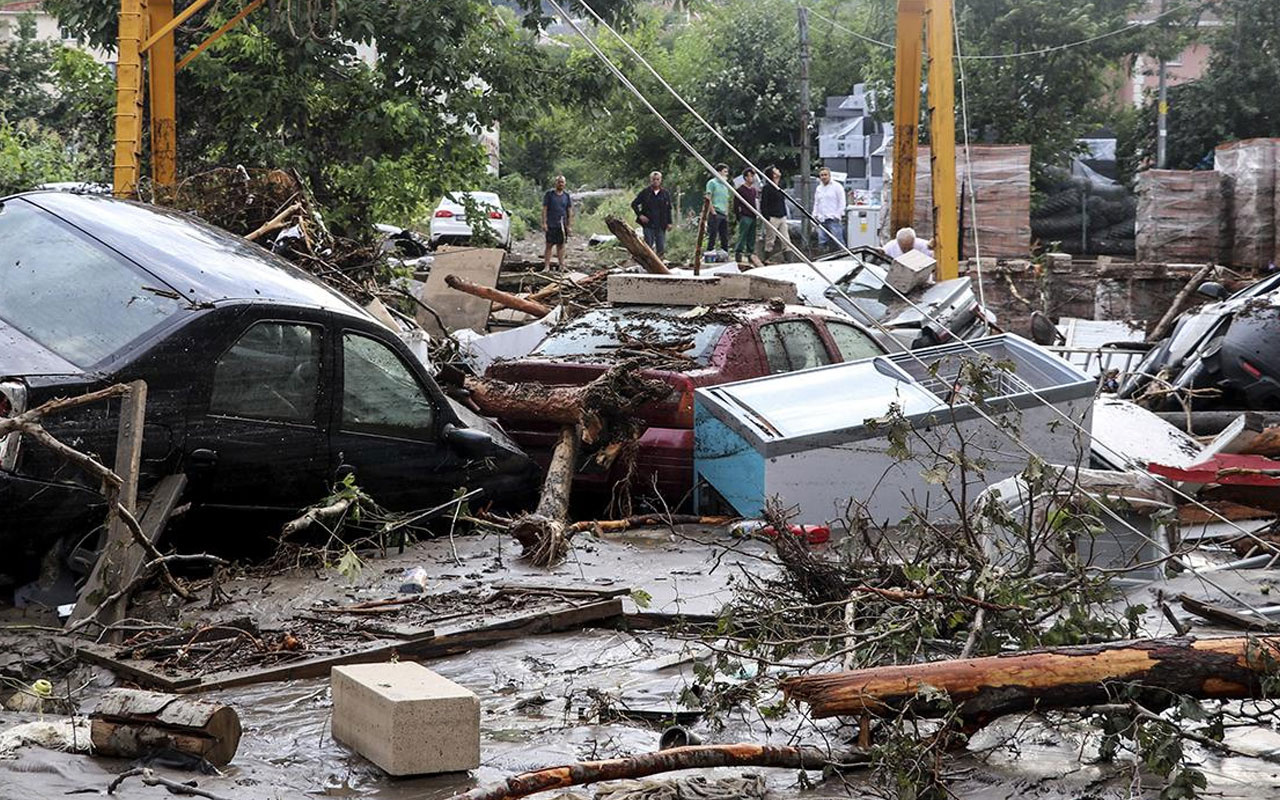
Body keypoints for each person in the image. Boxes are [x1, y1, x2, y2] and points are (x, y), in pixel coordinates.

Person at [631, 170, 674, 256]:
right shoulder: (645, 193)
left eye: (657, 179)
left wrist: (669, 223)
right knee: (648, 246)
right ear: (651, 180)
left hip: (661, 224)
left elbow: (668, 209)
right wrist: (640, 215)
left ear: (660, 180)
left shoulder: (665, 193)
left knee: (660, 246)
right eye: (654, 179)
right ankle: (648, 264)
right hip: (648, 224)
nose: (656, 181)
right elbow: (634, 204)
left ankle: (660, 263)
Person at [759, 165, 791, 263]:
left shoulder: (779, 187)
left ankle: (788, 259)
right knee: (770, 240)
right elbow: (763, 204)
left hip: (782, 216)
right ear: (773, 175)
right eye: (775, 170)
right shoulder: (767, 188)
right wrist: (767, 217)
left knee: (786, 239)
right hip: (772, 217)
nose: (778, 171)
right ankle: (767, 258)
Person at [541, 175, 572, 270]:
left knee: (561, 245)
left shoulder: (566, 196)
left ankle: (561, 265)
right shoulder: (549, 194)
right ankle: (547, 266)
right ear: (556, 183)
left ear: (565, 184)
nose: (561, 184)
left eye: (562, 182)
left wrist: (569, 225)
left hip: (562, 225)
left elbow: (569, 210)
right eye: (559, 182)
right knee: (549, 245)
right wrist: (544, 223)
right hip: (551, 223)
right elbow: (544, 209)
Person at [812, 167, 846, 252]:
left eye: (825, 175)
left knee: (838, 241)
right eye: (821, 175)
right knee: (822, 241)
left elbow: (842, 202)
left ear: (829, 175)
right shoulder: (819, 188)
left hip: (833, 219)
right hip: (821, 219)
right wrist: (814, 215)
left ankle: (845, 257)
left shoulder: (837, 186)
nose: (823, 177)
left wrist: (837, 215)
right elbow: (816, 203)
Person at [733, 168, 760, 265]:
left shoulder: (753, 190)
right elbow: (736, 205)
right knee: (743, 235)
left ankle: (750, 254)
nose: (752, 178)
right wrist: (739, 216)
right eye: (750, 176)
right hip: (745, 216)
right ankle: (738, 252)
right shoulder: (740, 190)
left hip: (753, 216)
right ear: (745, 177)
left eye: (753, 176)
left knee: (751, 236)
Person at [704, 163, 731, 252]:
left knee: (724, 235)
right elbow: (708, 197)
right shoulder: (712, 183)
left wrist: (727, 212)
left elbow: (726, 199)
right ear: (719, 172)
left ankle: (725, 252)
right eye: (725, 172)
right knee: (713, 234)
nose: (726, 174)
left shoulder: (725, 185)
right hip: (715, 212)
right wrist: (712, 211)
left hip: (723, 213)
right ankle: (709, 251)